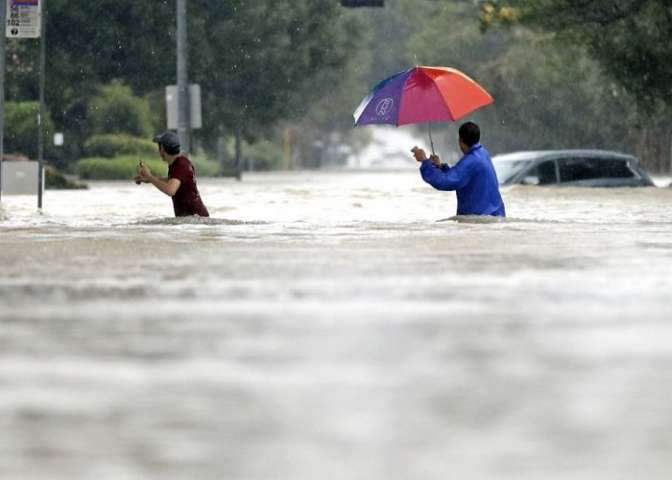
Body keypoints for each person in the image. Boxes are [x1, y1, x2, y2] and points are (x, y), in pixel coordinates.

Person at [412, 121, 505, 217]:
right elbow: (460, 175)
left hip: (480, 220)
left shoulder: (471, 161)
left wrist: (425, 162)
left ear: (460, 140)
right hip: (496, 216)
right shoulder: (483, 153)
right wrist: (441, 167)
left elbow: (444, 182)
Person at [135, 131, 209, 217]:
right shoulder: (180, 162)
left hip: (196, 219)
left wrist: (150, 177)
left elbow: (170, 190)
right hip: (195, 219)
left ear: (162, 149)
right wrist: (149, 180)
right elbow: (174, 180)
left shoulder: (180, 165)